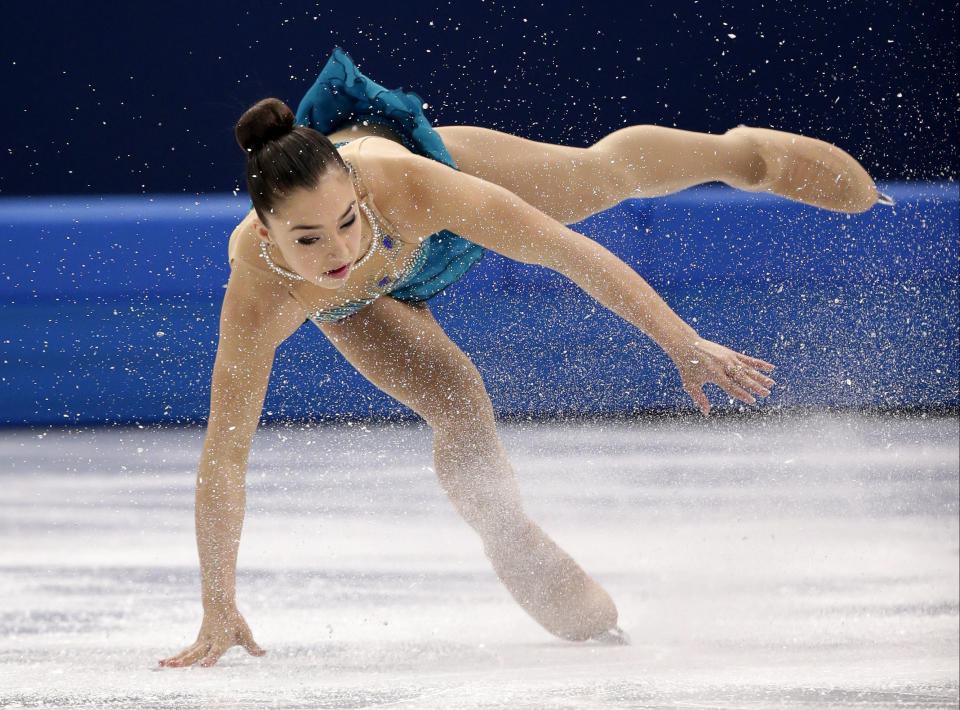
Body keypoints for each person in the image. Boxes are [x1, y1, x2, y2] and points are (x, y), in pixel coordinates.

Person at [159, 47, 888, 668]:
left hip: (434, 215)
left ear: (356, 186)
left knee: (599, 178)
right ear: (265, 230)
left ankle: (740, 154)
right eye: (308, 239)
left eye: (346, 221)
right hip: (363, 309)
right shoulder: (262, 290)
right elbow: (225, 454)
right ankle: (508, 534)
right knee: (457, 402)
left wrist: (681, 341)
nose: (341, 251)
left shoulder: (410, 185)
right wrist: (217, 605)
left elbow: (567, 254)